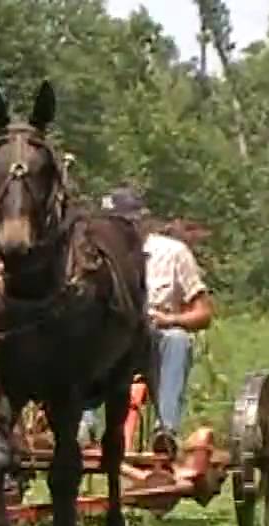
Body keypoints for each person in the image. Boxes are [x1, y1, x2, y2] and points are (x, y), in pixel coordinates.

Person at [80, 187, 214, 457]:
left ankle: (165, 431)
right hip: (108, 338)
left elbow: (203, 313)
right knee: (83, 337)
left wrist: (170, 319)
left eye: (122, 223)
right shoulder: (90, 255)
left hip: (153, 337)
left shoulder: (172, 252)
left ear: (138, 221)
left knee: (177, 340)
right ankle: (84, 426)